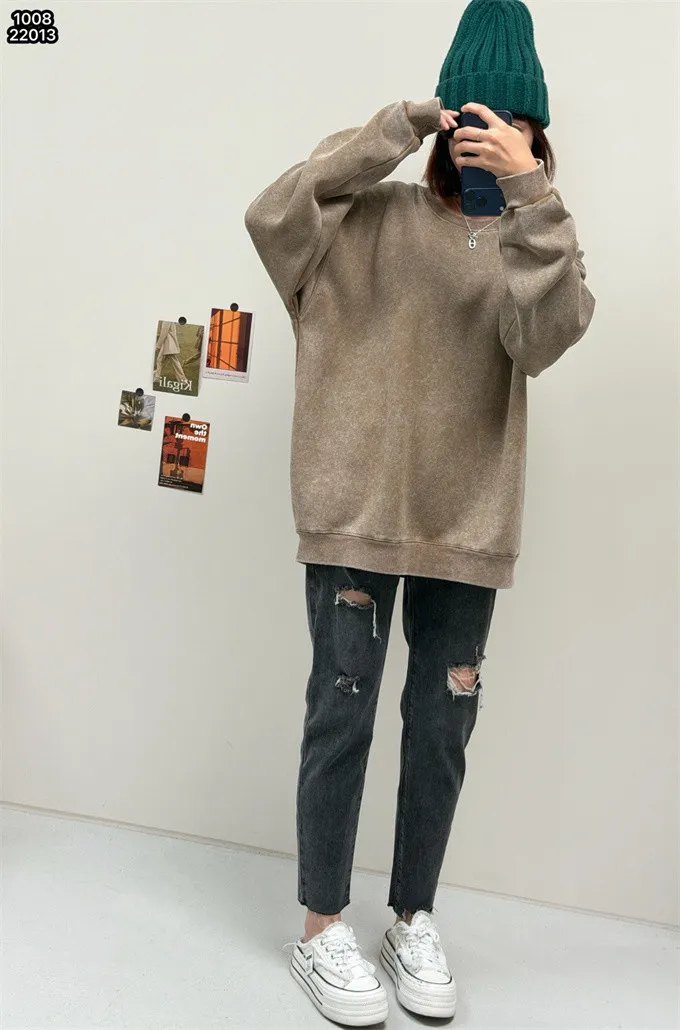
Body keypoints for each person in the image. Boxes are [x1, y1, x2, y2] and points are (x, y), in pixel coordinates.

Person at [244, 0, 596, 1024]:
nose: (490, 138)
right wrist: (395, 126)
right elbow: (271, 214)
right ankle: (322, 925)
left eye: (515, 124)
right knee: (341, 711)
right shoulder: (367, 218)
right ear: (445, 120)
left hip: (466, 521)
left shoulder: (532, 243)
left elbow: (552, 336)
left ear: (537, 135)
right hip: (354, 508)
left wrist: (532, 197)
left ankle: (412, 915)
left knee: (441, 727)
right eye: (474, 117)